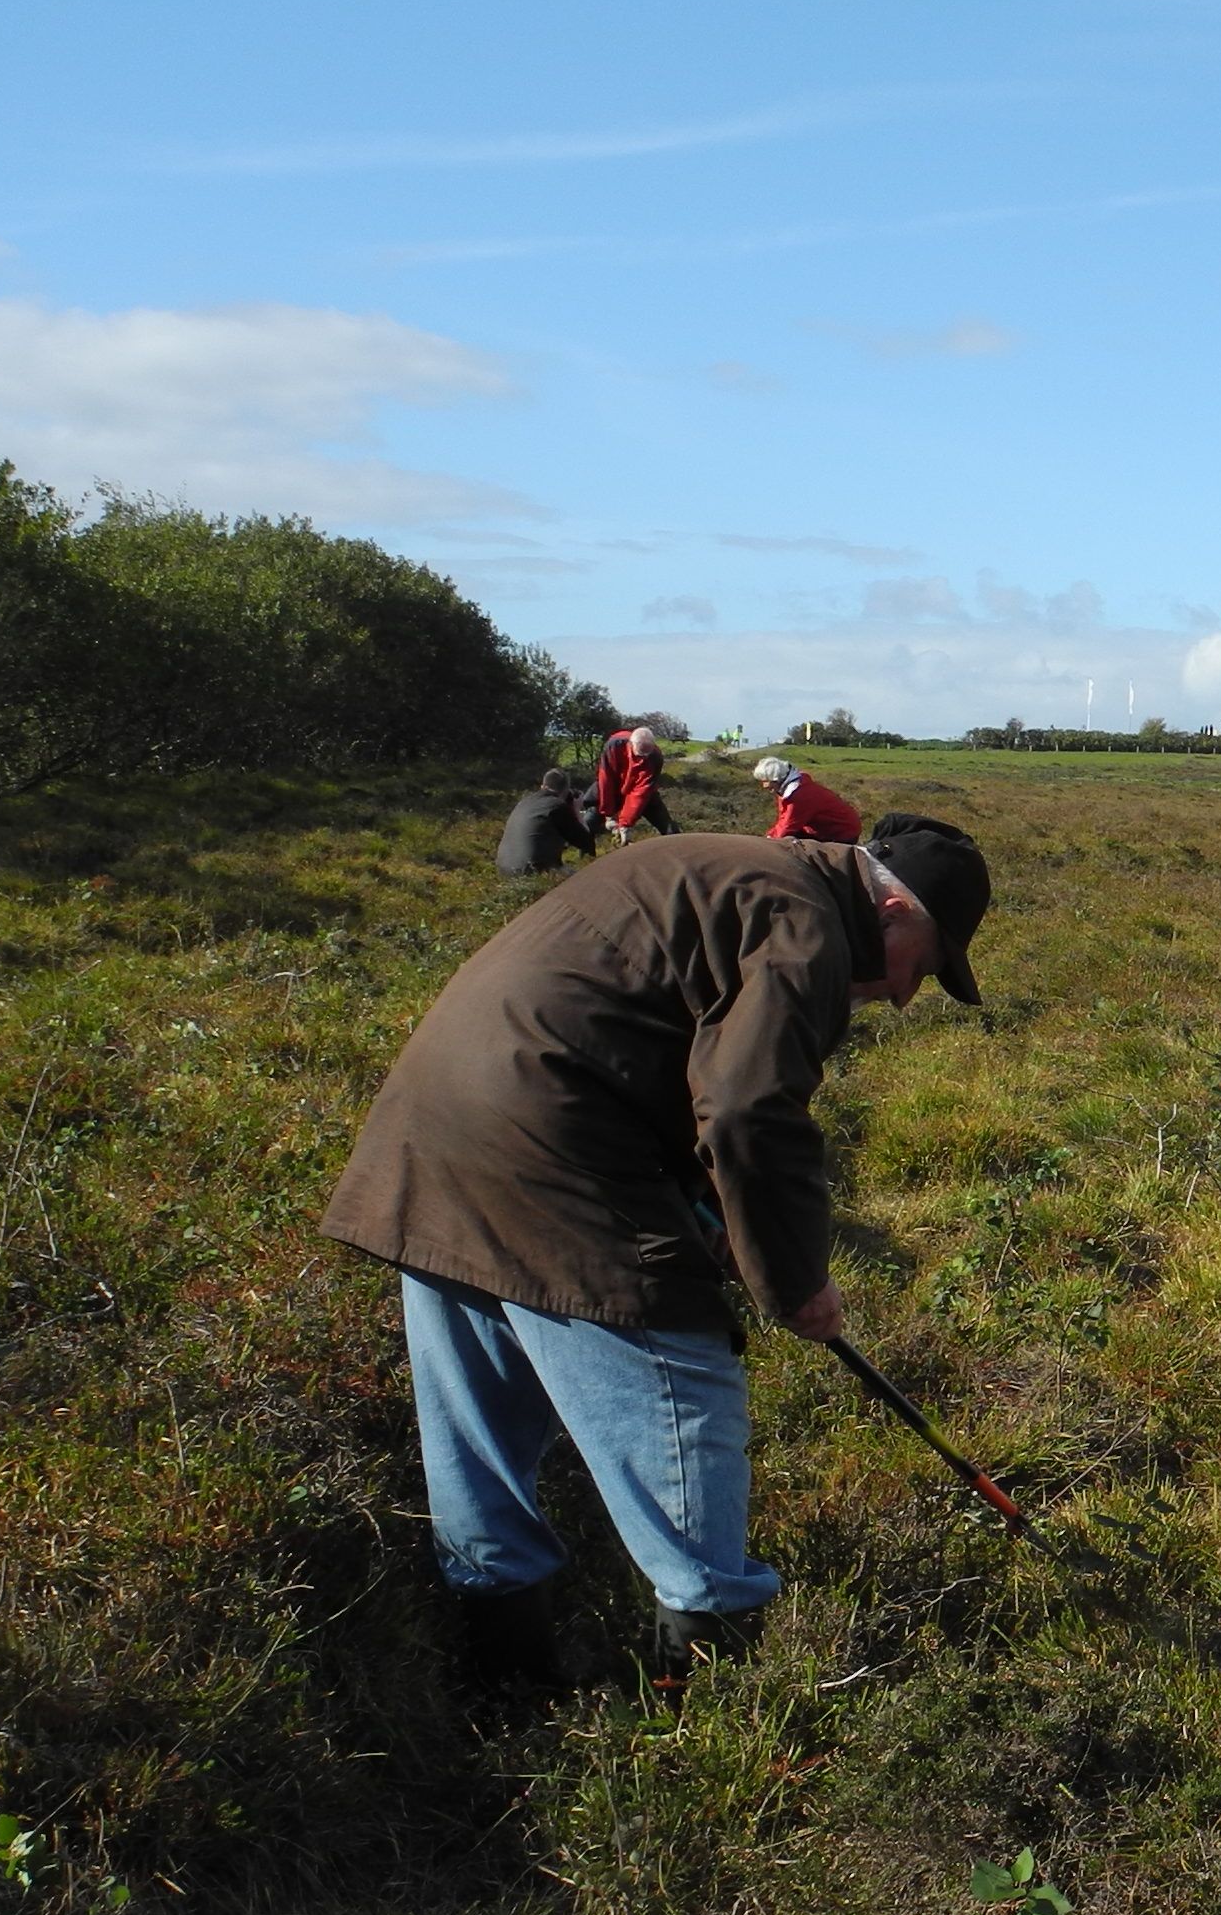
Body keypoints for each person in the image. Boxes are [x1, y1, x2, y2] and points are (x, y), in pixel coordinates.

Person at [320, 813, 993, 1693]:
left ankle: (503, 1689)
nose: (905, 994)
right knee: (682, 1381)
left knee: (477, 1431)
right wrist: (795, 1283)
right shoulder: (810, 929)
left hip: (434, 1135)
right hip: (548, 1146)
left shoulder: (726, 866)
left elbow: (649, 1038)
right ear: (895, 911)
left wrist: (707, 1212)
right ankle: (707, 1699)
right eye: (927, 968)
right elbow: (750, 1114)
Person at [496, 767, 600, 876]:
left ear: (543, 786)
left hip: (504, 870)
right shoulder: (557, 806)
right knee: (585, 878)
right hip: (534, 872)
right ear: (566, 791)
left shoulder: (524, 802)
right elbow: (587, 844)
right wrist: (576, 810)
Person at [752, 755, 864, 845]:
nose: (764, 785)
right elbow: (783, 819)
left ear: (776, 780)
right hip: (819, 829)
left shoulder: (799, 795)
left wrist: (766, 843)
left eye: (765, 781)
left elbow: (787, 827)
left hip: (840, 833)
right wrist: (768, 836)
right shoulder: (787, 789)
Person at [593, 725, 669, 844]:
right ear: (631, 744)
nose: (642, 759)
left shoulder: (655, 757)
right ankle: (585, 856)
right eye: (639, 754)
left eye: (646, 755)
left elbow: (641, 792)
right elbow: (606, 779)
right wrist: (609, 815)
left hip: (643, 793)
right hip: (612, 788)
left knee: (669, 829)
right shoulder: (614, 745)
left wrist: (625, 824)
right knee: (589, 822)